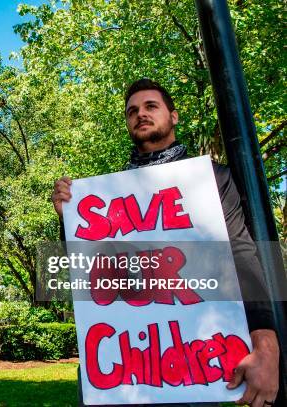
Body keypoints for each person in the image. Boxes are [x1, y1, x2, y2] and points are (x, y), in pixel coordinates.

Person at [51, 79, 279, 407]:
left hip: (189, 365)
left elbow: (241, 257)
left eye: (150, 106)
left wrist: (266, 347)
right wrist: (69, 220)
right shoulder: (106, 197)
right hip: (120, 367)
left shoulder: (211, 179)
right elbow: (90, 269)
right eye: (132, 111)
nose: (140, 114)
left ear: (173, 116)